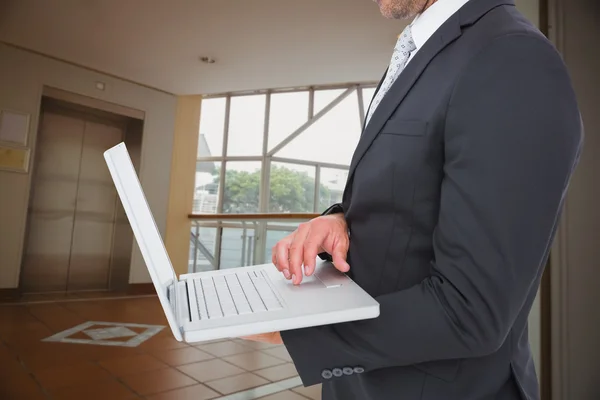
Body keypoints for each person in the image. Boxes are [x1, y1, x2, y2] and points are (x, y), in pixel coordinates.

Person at [242, 0, 583, 398]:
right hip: (365, 382)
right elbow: (407, 192)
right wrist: (340, 219)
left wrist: (295, 327)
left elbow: (470, 311)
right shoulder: (424, 51)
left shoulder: (511, 57)